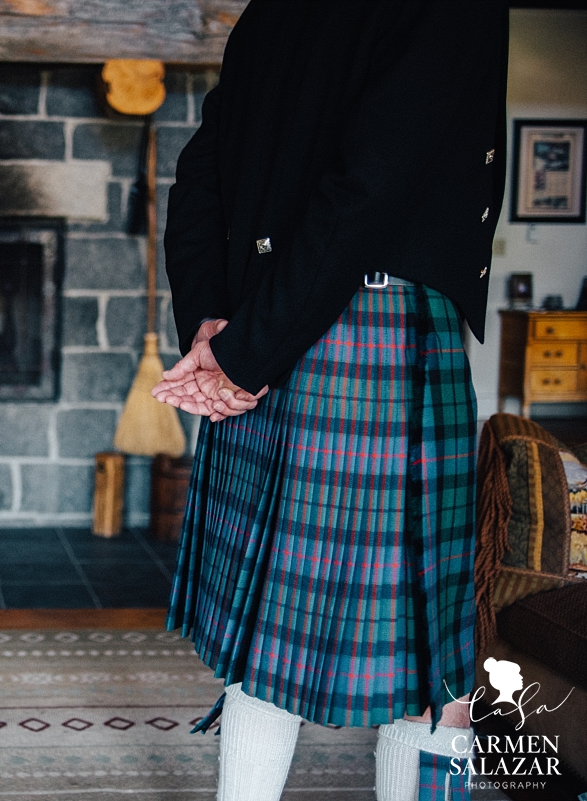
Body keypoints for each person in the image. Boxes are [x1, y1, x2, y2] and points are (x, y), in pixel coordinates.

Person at [151, 2, 508, 800]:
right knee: (429, 666)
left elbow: (203, 168)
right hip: (373, 329)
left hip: (271, 313)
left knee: (265, 640)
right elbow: (370, 186)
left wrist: (219, 325)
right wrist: (238, 349)